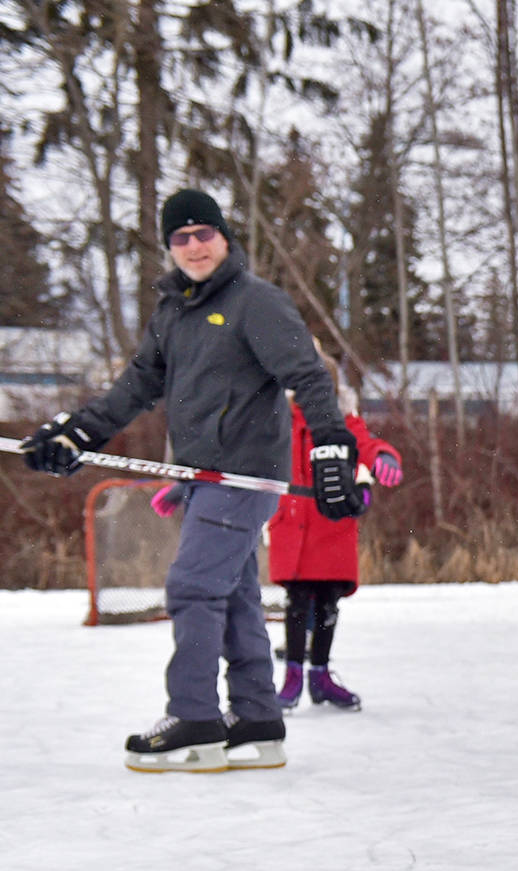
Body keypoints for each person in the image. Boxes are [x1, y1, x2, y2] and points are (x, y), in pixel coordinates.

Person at [18, 188, 364, 772]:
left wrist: (331, 445)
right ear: (169, 247)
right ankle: (256, 717)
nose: (194, 246)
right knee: (231, 593)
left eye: (205, 233)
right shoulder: (173, 313)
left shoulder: (256, 302)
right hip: (201, 476)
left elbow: (307, 376)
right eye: (181, 237)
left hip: (243, 474)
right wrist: (78, 434)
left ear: (225, 237)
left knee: (192, 587)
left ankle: (195, 719)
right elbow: (135, 387)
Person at [260, 348, 404, 711]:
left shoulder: (344, 422)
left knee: (327, 602)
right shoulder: (280, 419)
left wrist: (384, 456)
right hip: (292, 523)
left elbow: (368, 445)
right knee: (297, 601)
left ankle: (320, 675)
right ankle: (292, 677)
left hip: (332, 524)